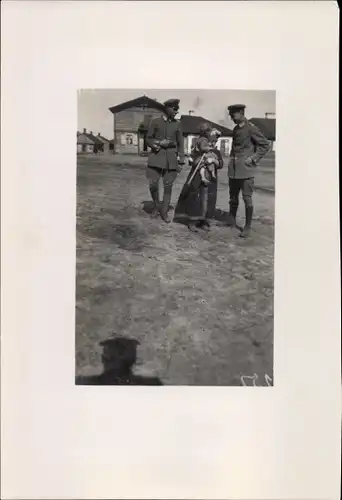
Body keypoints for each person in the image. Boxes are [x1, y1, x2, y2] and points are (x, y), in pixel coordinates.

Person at [226, 104, 270, 238]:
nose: (231, 117)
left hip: (246, 170)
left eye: (233, 115)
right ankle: (232, 222)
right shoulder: (235, 129)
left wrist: (253, 159)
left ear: (241, 113)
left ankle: (247, 227)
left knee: (247, 198)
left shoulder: (251, 129)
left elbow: (265, 145)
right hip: (234, 169)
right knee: (233, 198)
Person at [174, 122, 223, 232]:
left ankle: (203, 222)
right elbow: (193, 160)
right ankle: (192, 221)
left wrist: (214, 161)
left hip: (210, 178)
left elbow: (221, 165)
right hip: (197, 176)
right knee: (195, 198)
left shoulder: (216, 151)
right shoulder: (201, 145)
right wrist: (193, 159)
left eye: (215, 140)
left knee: (207, 200)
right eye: (212, 140)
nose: (213, 142)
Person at [146, 99, 185, 223]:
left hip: (171, 159)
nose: (176, 111)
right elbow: (148, 138)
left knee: (168, 186)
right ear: (167, 108)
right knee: (153, 185)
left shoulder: (177, 124)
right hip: (156, 157)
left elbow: (181, 143)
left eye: (177, 108)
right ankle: (156, 206)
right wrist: (157, 144)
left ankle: (164, 211)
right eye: (174, 108)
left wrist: (181, 160)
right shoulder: (155, 122)